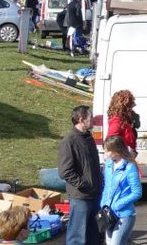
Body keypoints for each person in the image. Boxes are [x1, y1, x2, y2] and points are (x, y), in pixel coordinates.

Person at [59, 105, 103, 245]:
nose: (93, 120)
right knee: (77, 235)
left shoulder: (88, 137)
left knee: (93, 233)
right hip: (81, 196)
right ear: (81, 119)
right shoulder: (69, 141)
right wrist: (84, 184)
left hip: (94, 194)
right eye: (90, 117)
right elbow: (65, 171)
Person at [100, 135, 142, 245]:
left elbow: (137, 192)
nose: (105, 153)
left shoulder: (130, 167)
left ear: (117, 150)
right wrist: (103, 204)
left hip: (125, 214)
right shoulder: (108, 165)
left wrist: (118, 204)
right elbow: (106, 187)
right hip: (108, 213)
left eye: (108, 150)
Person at [106, 90, 139, 155]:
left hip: (126, 158)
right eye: (131, 104)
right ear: (124, 106)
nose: (134, 105)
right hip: (122, 159)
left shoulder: (124, 120)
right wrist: (128, 150)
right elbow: (110, 141)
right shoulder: (117, 120)